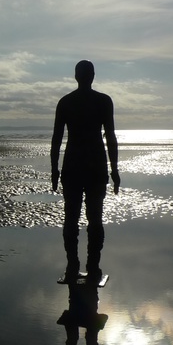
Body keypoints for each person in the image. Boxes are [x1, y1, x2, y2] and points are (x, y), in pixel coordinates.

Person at [51, 60, 120, 282]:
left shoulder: (66, 102)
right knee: (94, 219)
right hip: (95, 165)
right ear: (92, 76)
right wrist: (114, 169)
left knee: (71, 219)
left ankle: (75, 265)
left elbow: (56, 140)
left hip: (73, 166)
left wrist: (54, 169)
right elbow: (110, 137)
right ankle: (91, 266)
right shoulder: (103, 101)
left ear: (76, 76)